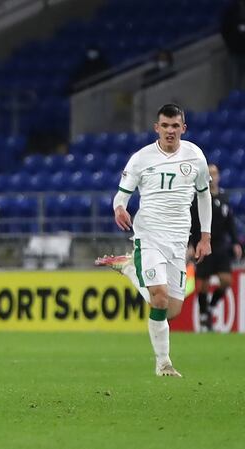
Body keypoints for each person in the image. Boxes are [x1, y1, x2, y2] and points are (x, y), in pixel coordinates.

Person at [95, 104, 212, 377]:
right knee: (158, 298)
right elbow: (121, 195)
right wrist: (119, 208)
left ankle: (129, 268)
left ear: (183, 128)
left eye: (175, 126)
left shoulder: (195, 156)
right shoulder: (141, 158)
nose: (170, 131)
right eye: (165, 126)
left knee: (171, 309)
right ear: (156, 128)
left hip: (179, 238)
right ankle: (163, 364)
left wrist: (205, 236)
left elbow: (204, 196)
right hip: (149, 235)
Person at [190, 164, 242, 331]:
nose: (212, 177)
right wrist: (191, 244)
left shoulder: (224, 197)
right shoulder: (199, 197)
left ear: (218, 176)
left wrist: (235, 242)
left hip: (220, 245)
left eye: (214, 173)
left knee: (226, 280)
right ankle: (204, 315)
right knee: (202, 285)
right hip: (202, 244)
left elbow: (230, 223)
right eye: (209, 174)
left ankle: (211, 307)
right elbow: (191, 223)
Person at [221, 0, 245, 88]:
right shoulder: (231, 10)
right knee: (236, 83)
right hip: (236, 54)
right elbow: (225, 30)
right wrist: (231, 46)